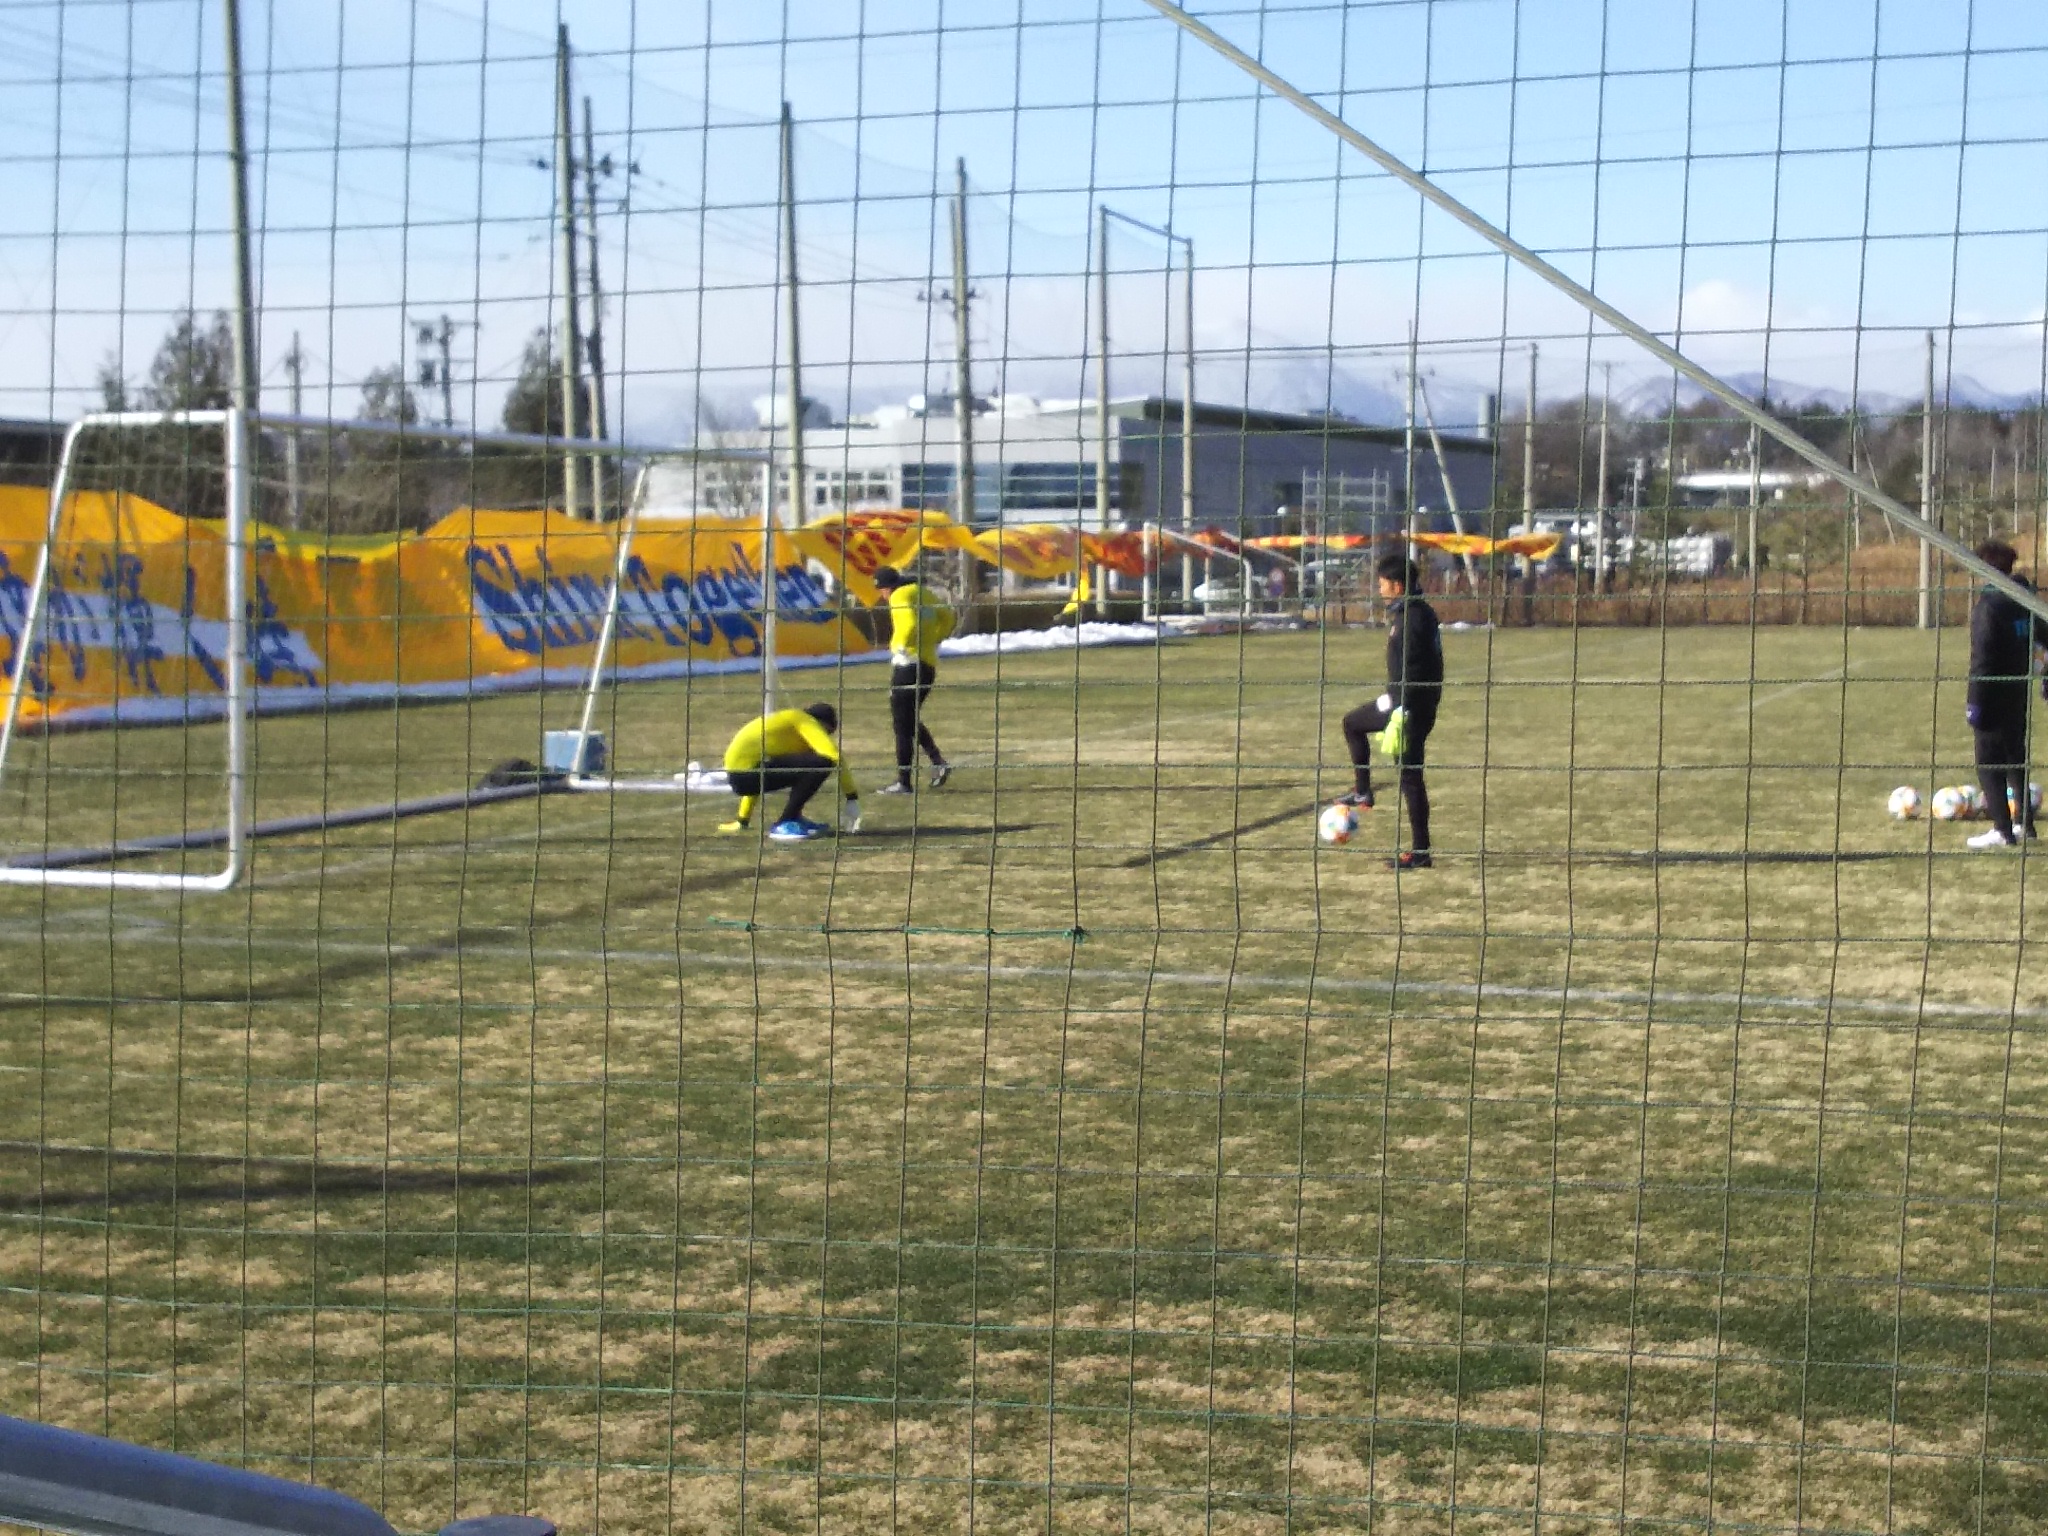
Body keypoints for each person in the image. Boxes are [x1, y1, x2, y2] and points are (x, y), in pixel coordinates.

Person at [1335, 551, 1443, 870]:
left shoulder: (1413, 619)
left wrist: (1402, 712)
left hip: (1408, 709)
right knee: (1352, 723)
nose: (1379, 589)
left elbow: (1417, 670)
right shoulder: (1412, 612)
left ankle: (1420, 853)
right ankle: (1362, 792)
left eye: (1382, 583)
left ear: (1397, 586)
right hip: (1401, 702)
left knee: (1410, 777)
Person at [1965, 539, 2043, 848]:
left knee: (1988, 763)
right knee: (2015, 758)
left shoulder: (1989, 607)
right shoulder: (2024, 600)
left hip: (1993, 694)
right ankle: (2025, 825)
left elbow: (1982, 659)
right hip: (2018, 690)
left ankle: (2002, 830)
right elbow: (2045, 636)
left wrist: (1975, 703)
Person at [720, 701, 861, 843]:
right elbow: (834, 756)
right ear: (820, 723)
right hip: (745, 775)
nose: (825, 736)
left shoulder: (787, 731)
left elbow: (755, 765)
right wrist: (851, 797)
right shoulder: (804, 720)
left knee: (807, 763)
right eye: (826, 732)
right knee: (822, 763)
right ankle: (786, 822)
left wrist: (743, 819)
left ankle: (794, 817)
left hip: (740, 775)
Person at [872, 564, 956, 794]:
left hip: (908, 663)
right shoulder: (923, 592)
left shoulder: (898, 596)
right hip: (928, 663)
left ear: (886, 587)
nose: (882, 596)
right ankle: (937, 761)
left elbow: (908, 623)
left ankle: (904, 782)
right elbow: (948, 616)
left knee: (901, 724)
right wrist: (936, 637)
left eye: (881, 590)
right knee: (908, 719)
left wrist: (899, 645)